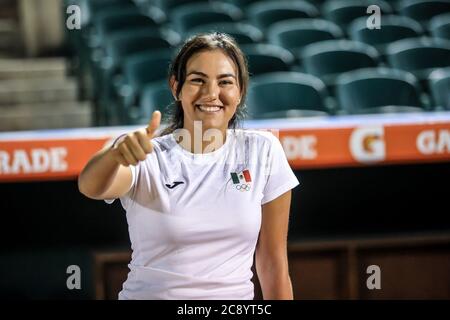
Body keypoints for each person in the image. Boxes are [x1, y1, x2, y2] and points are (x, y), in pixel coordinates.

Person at [78, 32, 300, 300]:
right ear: (176, 87)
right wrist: (114, 155)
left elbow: (273, 263)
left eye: (225, 82)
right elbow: (91, 186)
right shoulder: (145, 151)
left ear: (240, 91)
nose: (211, 94)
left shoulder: (263, 150)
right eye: (197, 80)